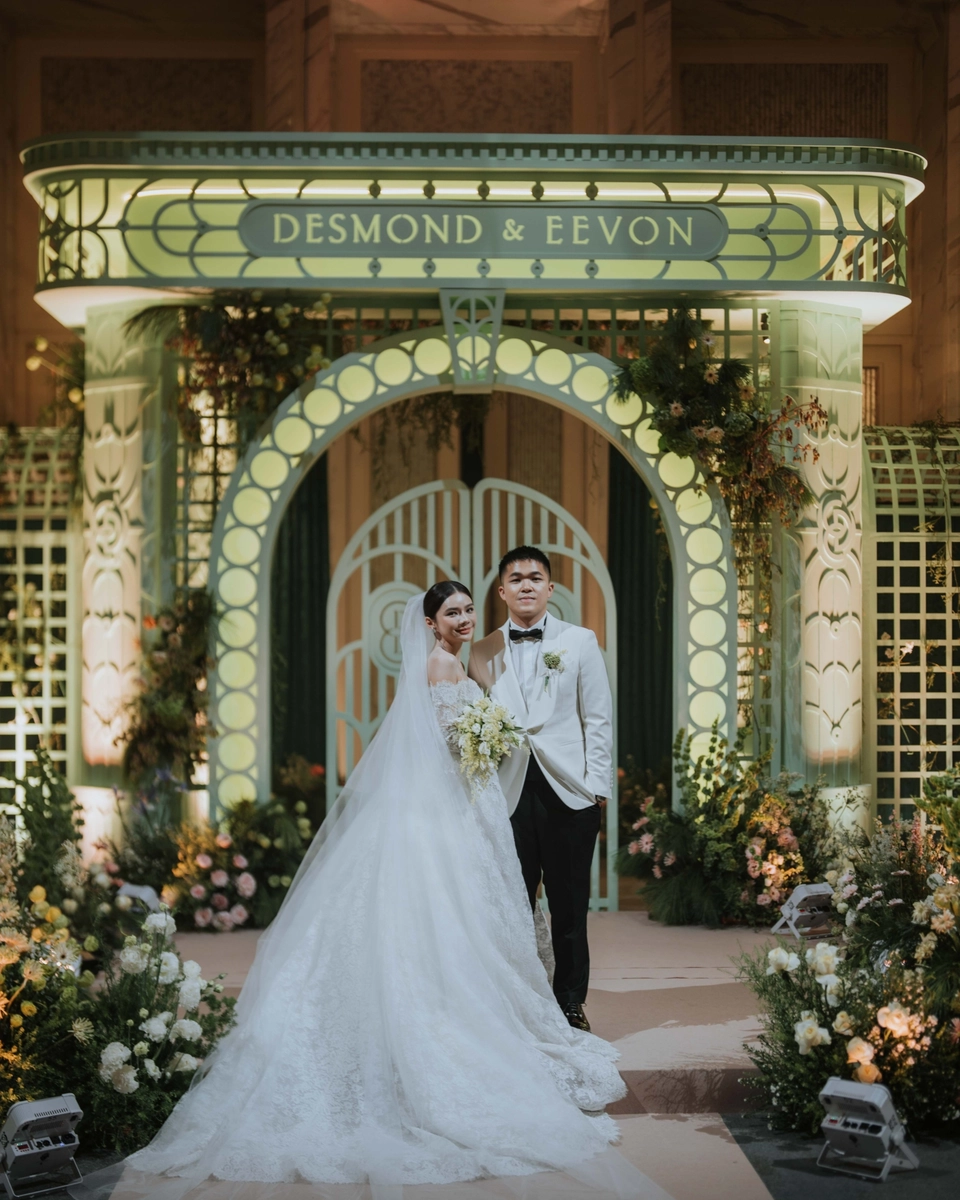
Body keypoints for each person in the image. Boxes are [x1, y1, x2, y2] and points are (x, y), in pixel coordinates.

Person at [72, 585, 667, 1200]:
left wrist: (489, 739)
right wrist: (483, 743)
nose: (464, 620)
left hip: (465, 806)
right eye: (453, 613)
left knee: (470, 922)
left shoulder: (466, 658)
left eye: (468, 610)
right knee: (442, 919)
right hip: (444, 815)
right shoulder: (441, 665)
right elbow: (443, 747)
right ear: (432, 624)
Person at [468, 547, 612, 1032]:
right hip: (506, 796)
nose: (526, 585)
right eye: (516, 578)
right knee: (513, 908)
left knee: (570, 909)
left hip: (570, 792)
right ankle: (519, 1005)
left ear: (550, 589)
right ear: (502, 591)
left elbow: (598, 717)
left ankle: (570, 1004)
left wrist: (598, 788)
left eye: (535, 577)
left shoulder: (580, 641)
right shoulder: (482, 650)